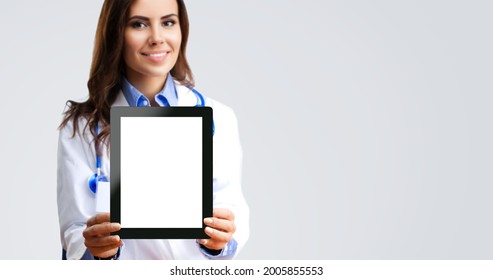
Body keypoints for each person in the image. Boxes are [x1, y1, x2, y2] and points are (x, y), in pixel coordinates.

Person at [57, 0, 249, 260]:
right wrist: (95, 249)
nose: (157, 38)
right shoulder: (81, 127)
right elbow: (75, 231)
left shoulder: (219, 117)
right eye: (139, 24)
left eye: (168, 22)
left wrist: (221, 239)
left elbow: (231, 208)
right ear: (115, 32)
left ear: (182, 29)